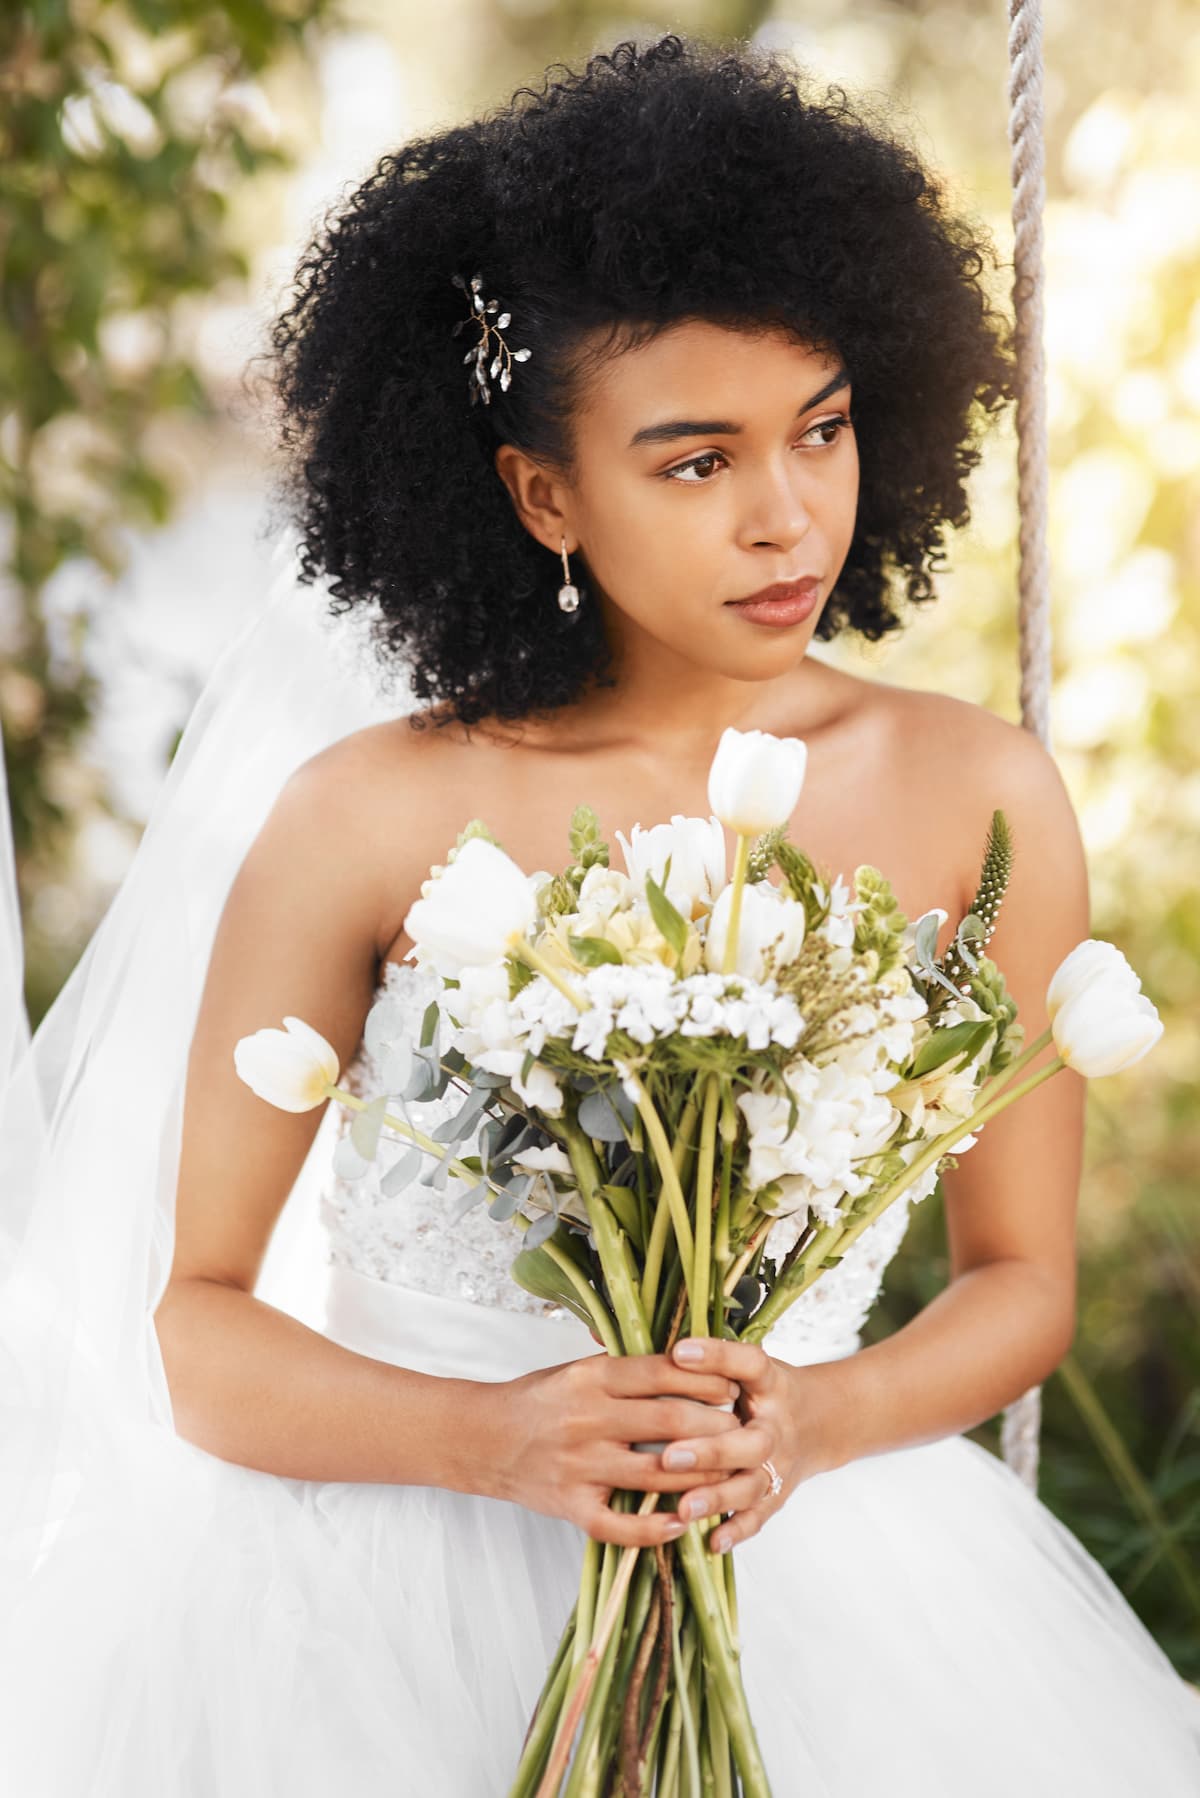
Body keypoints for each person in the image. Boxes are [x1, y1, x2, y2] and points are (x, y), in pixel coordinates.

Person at [2, 32, 1198, 1797]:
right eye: (696, 461)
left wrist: (816, 1414)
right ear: (541, 492)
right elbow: (197, 1324)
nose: (790, 514)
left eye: (825, 426)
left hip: (838, 1573)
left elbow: (1019, 1280)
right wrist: (497, 1439)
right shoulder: (370, 815)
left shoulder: (979, 794)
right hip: (382, 1602)